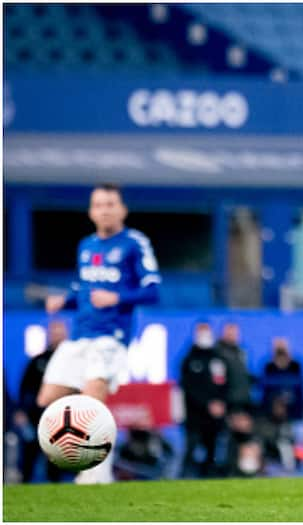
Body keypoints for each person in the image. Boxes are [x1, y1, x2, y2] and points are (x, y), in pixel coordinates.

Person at [39, 183, 161, 484]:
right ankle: (69, 454)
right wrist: (64, 300)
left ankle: (97, 472)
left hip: (110, 336)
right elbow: (83, 290)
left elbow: (153, 291)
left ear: (122, 209)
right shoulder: (87, 246)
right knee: (47, 399)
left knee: (93, 399)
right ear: (91, 212)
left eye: (110, 204)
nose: (105, 210)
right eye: (99, 204)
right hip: (79, 335)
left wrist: (116, 298)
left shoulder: (134, 243)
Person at [16, 320, 67, 483]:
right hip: (36, 417)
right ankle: (23, 489)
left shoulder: (72, 361)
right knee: (29, 458)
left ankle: (57, 492)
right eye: (54, 332)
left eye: (60, 331)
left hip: (61, 418)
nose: (57, 335)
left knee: (56, 461)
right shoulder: (38, 360)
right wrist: (21, 411)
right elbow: (24, 388)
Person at [179, 321, 229, 478]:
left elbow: (225, 383)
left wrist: (221, 403)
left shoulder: (218, 359)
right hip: (195, 415)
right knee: (191, 449)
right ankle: (184, 479)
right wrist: (207, 404)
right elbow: (189, 387)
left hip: (214, 417)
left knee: (213, 450)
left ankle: (210, 479)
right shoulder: (189, 359)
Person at [258, 337, 303, 473]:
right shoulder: (269, 367)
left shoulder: (295, 366)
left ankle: (297, 470)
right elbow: (265, 393)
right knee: (270, 443)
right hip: (271, 418)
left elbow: (300, 392)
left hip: (294, 415)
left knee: (295, 444)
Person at [215, 322, 254, 477]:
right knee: (225, 438)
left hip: (242, 402)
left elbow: (244, 378)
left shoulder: (240, 352)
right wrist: (221, 400)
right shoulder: (218, 353)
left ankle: (240, 471)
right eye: (230, 332)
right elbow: (217, 380)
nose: (233, 335)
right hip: (228, 403)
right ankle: (223, 470)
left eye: (235, 332)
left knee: (242, 438)